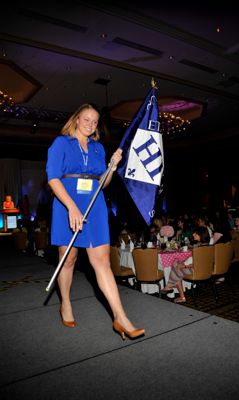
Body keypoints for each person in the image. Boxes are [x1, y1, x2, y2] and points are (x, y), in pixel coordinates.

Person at [46, 103, 145, 340]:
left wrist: (112, 167)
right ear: (76, 119)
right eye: (86, 119)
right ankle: (66, 303)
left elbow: (104, 183)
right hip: (66, 202)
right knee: (68, 258)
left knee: (102, 263)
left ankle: (120, 318)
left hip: (94, 204)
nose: (90, 125)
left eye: (94, 121)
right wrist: (71, 207)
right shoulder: (61, 143)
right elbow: (52, 178)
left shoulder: (98, 148)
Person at [160, 226, 210, 303]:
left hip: (197, 270)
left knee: (176, 268)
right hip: (205, 269)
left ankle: (173, 290)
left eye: (195, 233)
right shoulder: (208, 246)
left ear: (201, 235)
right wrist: (183, 264)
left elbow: (196, 263)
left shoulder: (199, 249)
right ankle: (171, 288)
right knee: (175, 264)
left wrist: (184, 265)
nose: (193, 234)